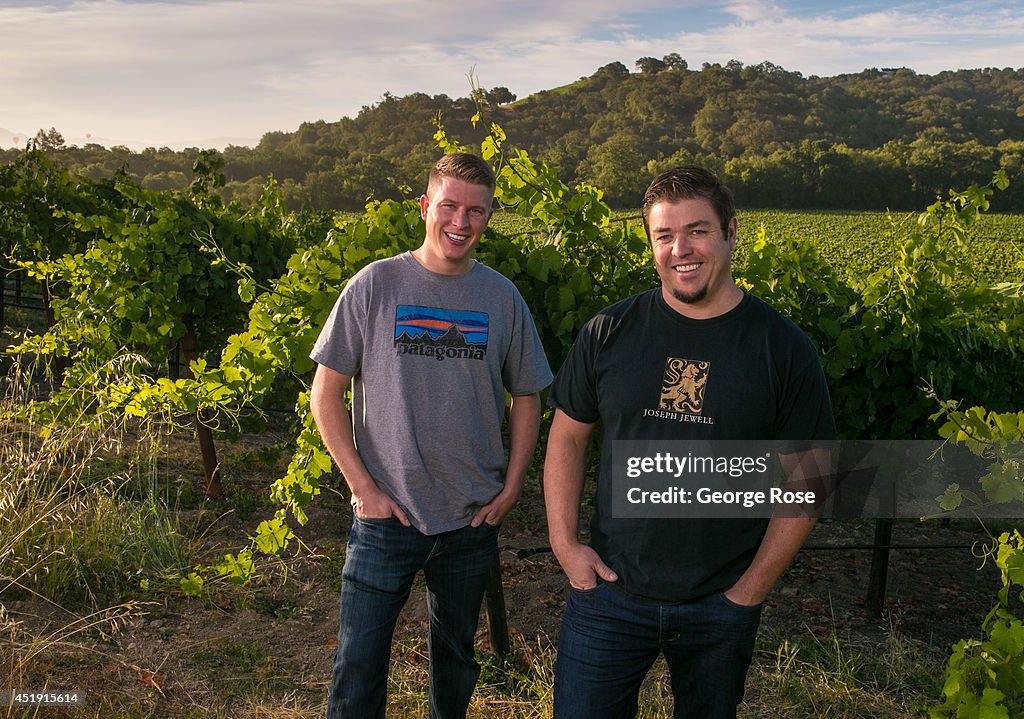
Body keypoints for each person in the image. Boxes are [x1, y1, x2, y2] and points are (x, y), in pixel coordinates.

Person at [543, 166, 835, 719]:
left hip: (720, 602)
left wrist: (749, 592)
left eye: (698, 231)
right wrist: (565, 545)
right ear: (651, 243)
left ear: (729, 231)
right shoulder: (609, 332)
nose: (681, 249)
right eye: (664, 236)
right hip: (607, 594)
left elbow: (809, 479)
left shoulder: (782, 348)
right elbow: (567, 440)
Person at [309, 153, 553, 719]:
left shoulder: (502, 298)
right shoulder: (375, 285)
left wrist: (512, 486)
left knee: (456, 659)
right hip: (384, 517)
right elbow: (326, 395)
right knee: (359, 661)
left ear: (489, 218)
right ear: (425, 207)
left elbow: (528, 396)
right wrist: (364, 489)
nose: (461, 223)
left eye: (476, 212)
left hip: (470, 517)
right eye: (449, 206)